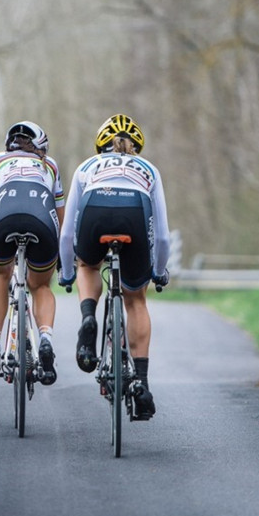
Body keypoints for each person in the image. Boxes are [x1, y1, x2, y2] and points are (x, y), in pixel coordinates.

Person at [58, 114, 170, 419]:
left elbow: (67, 232)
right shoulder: (148, 169)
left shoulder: (86, 166)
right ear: (136, 147)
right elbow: (161, 234)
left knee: (89, 266)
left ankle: (87, 318)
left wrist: (68, 272)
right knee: (136, 299)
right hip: (135, 211)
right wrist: (159, 271)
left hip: (95, 207)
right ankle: (142, 385)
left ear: (100, 146)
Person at [0, 121, 64, 386]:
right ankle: (45, 340)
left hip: (3, 221)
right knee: (41, 284)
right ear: (41, 147)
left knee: (0, 274)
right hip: (41, 221)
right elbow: (62, 218)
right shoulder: (51, 165)